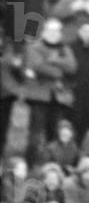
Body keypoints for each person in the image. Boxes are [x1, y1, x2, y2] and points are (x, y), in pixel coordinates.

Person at [23, 19, 77, 166]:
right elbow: (38, 65)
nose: (53, 34)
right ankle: (30, 164)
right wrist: (58, 69)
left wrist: (52, 61)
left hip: (58, 98)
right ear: (44, 31)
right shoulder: (35, 46)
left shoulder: (65, 48)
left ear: (60, 34)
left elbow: (72, 67)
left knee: (54, 134)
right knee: (35, 135)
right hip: (39, 96)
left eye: (56, 31)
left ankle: (51, 165)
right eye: (50, 30)